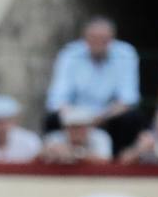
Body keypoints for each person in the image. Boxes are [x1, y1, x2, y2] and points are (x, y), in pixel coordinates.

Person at [44, 17, 141, 157]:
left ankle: (120, 162)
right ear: (85, 38)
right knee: (51, 119)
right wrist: (76, 119)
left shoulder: (125, 53)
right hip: (74, 115)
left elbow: (128, 99)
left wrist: (99, 118)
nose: (98, 43)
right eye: (93, 38)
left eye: (103, 39)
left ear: (112, 39)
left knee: (131, 119)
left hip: (108, 116)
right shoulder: (70, 54)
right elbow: (57, 98)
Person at [40, 106, 112, 164]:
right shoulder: (54, 137)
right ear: (65, 129)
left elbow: (105, 161)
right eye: (73, 127)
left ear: (89, 127)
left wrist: (76, 153)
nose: (77, 131)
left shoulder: (100, 137)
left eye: (80, 127)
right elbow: (39, 156)